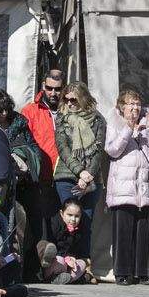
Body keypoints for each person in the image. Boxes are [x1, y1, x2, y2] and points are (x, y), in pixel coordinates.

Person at [104, 89, 149, 285]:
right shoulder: (115, 123)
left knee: (142, 234)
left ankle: (140, 273)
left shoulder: (147, 123)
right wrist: (128, 130)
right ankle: (121, 273)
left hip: (143, 188)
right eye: (131, 104)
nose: (135, 108)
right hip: (122, 187)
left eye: (137, 104)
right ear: (122, 107)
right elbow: (112, 150)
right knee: (123, 234)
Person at [52, 81, 105, 260]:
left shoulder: (98, 119)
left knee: (85, 222)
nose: (69, 103)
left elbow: (98, 150)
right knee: (66, 221)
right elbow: (63, 148)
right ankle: (62, 261)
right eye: (65, 99)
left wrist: (88, 175)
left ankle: (84, 263)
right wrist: (80, 172)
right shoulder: (62, 118)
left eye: (73, 100)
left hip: (91, 178)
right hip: (67, 175)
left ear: (83, 98)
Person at [18, 69, 64, 256]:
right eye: (49, 88)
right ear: (42, 87)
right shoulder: (30, 111)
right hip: (40, 177)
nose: (53, 93)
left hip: (65, 175)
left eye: (57, 89)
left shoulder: (69, 107)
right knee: (42, 224)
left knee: (64, 223)